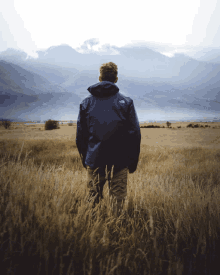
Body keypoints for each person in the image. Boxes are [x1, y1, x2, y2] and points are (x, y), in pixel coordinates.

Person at [76, 62, 141, 217]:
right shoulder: (126, 103)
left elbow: (80, 137)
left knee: (93, 203)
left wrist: (86, 159)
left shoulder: (86, 103)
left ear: (99, 77)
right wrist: (132, 162)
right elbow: (135, 135)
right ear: (116, 78)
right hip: (120, 163)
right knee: (117, 206)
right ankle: (116, 234)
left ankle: (93, 235)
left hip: (94, 162)